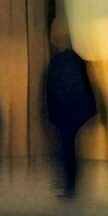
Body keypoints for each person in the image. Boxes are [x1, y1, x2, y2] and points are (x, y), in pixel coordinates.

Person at [42, 18, 99, 198]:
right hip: (75, 111)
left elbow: (50, 89)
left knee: (66, 147)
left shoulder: (56, 62)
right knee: (70, 147)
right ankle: (70, 182)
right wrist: (91, 109)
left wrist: (49, 113)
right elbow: (87, 86)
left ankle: (69, 183)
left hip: (63, 112)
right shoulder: (77, 60)